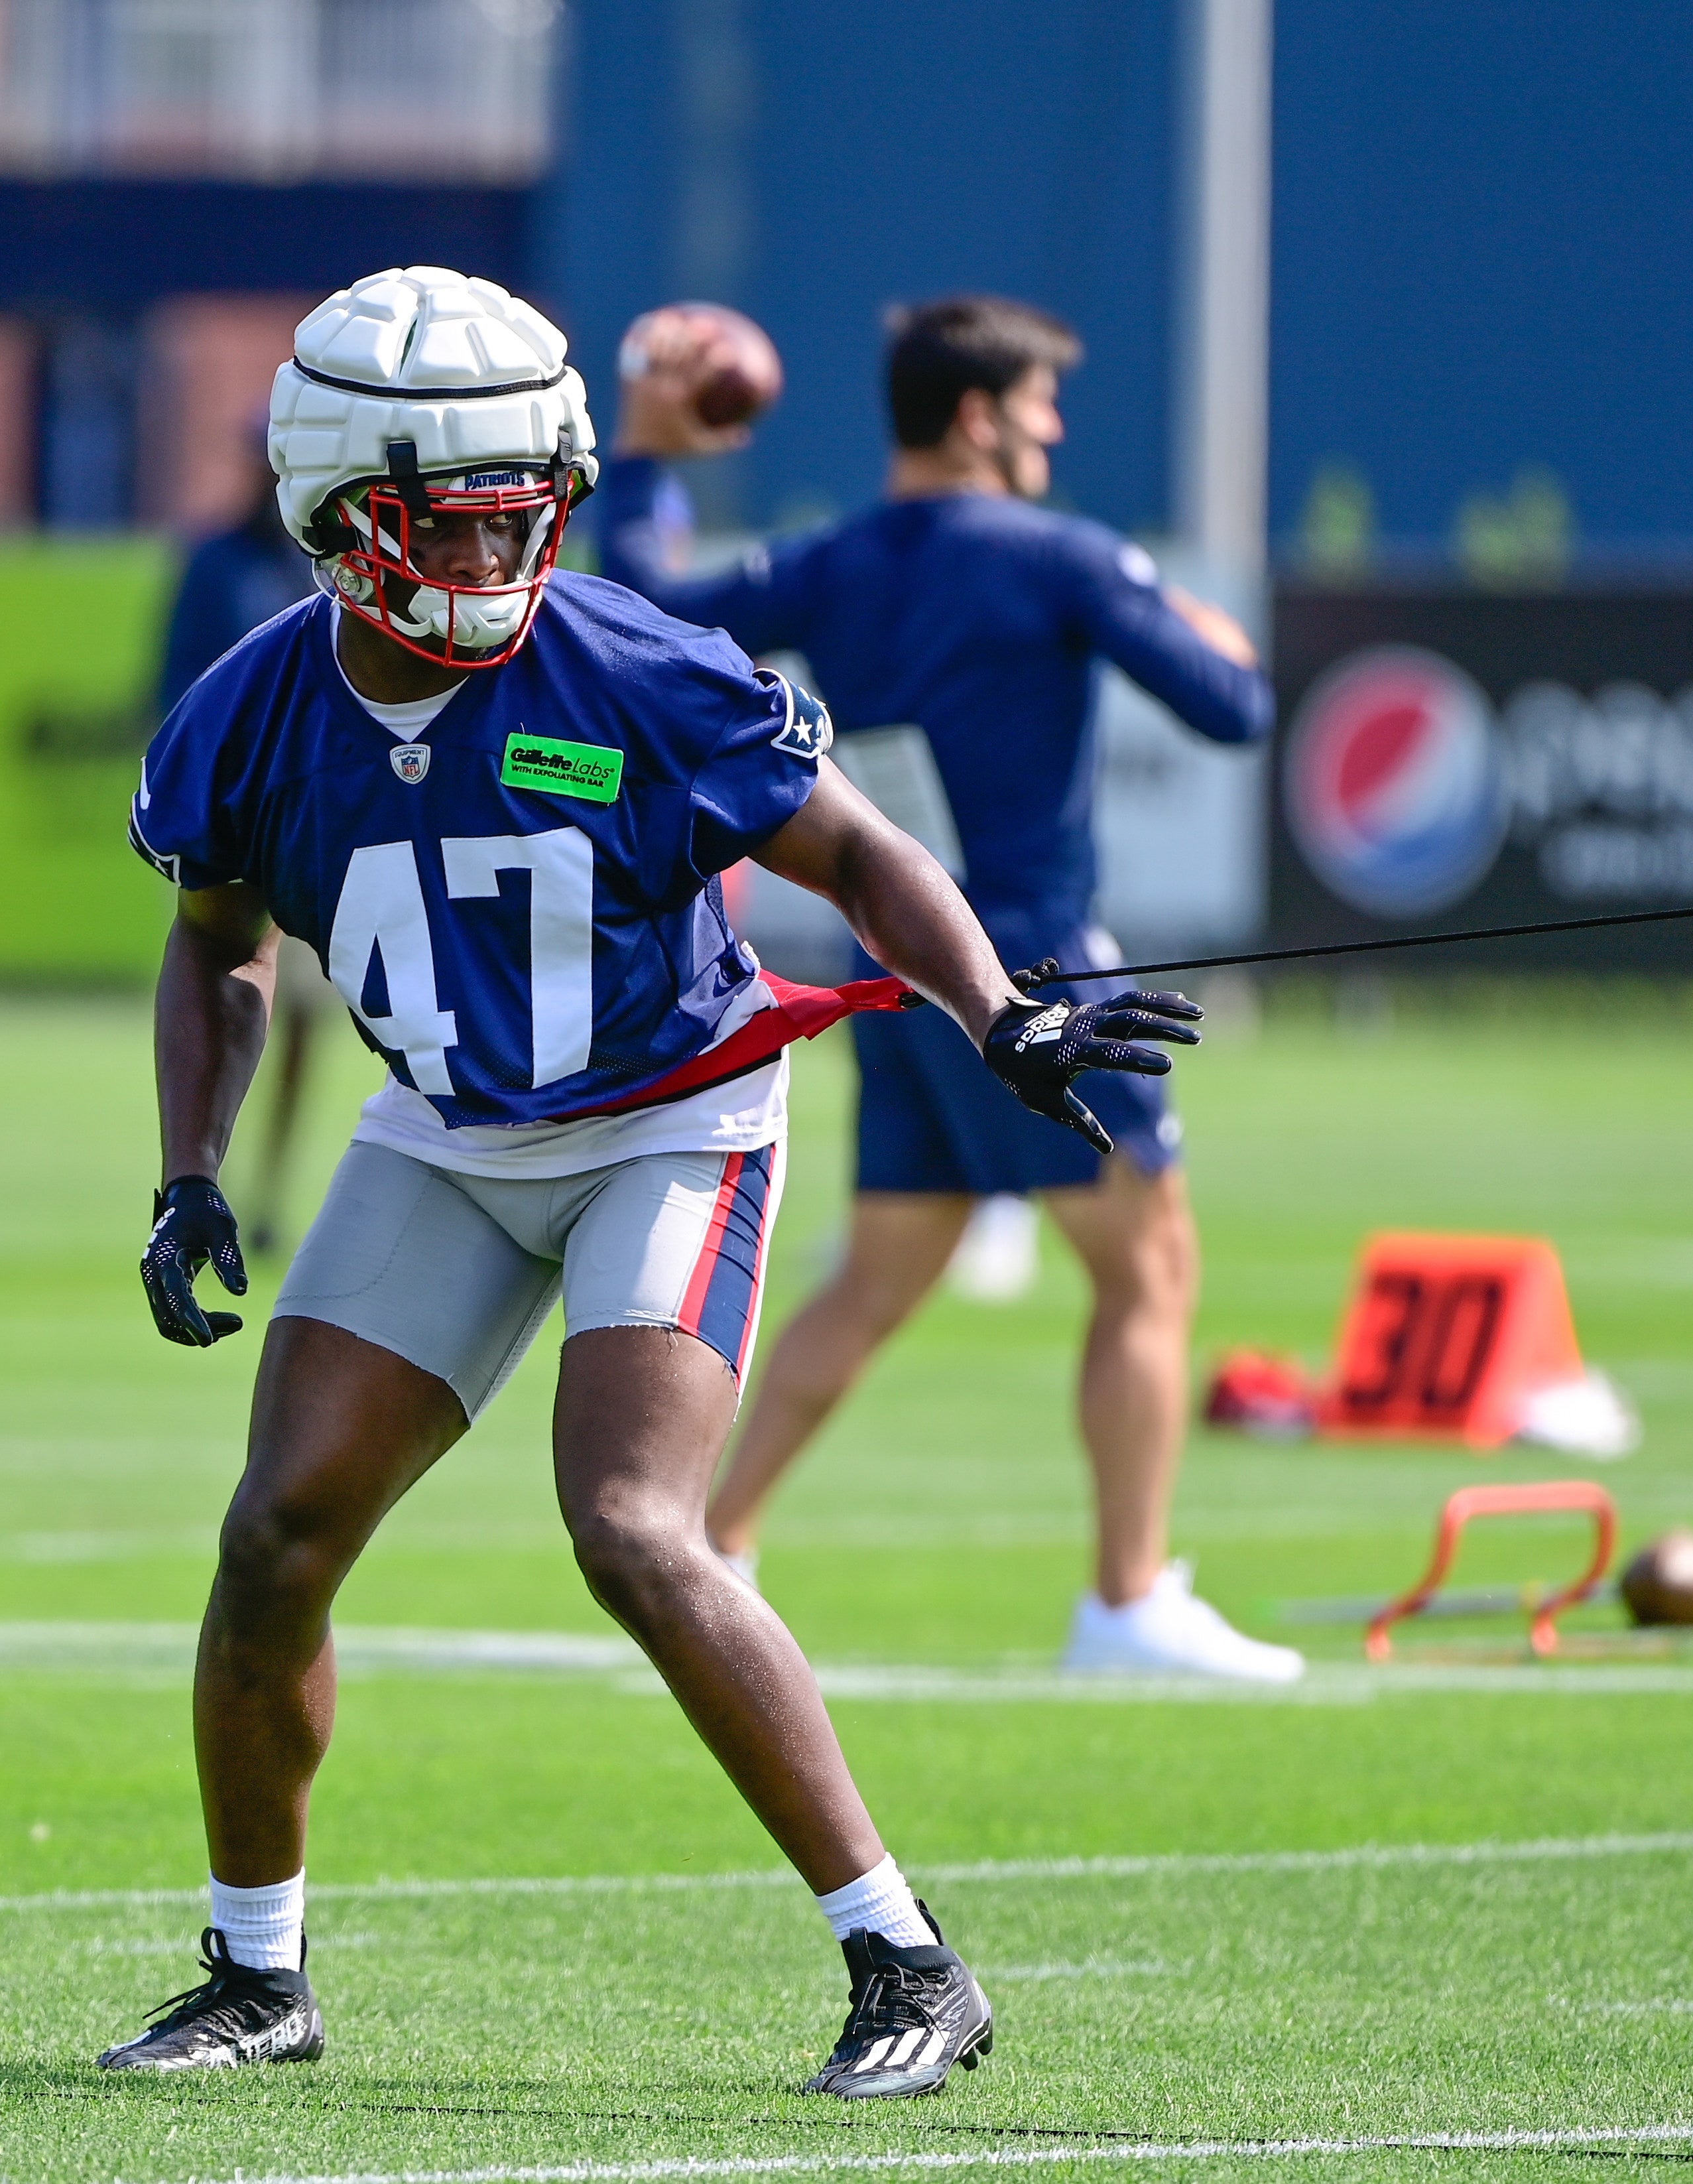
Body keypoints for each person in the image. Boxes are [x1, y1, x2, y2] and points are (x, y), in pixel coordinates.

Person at [111, 267, 1200, 2095]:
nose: (497, 557)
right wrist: (188, 1170)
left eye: (525, 512)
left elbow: (856, 850)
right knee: (273, 1533)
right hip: (449, 1131)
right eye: (453, 523)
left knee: (629, 1522)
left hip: (667, 1117)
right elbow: (216, 939)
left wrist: (998, 1009)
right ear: (339, 520)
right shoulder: (244, 710)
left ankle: (904, 1957)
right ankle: (253, 1973)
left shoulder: (623, 662)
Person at [598, 294, 1300, 1683]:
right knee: (1149, 1264)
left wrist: (644, 452)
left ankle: (710, 1544)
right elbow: (1234, 712)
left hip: (896, 963)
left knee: (874, 1277)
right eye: (1040, 407)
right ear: (978, 416)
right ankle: (1126, 1597)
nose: (1053, 431)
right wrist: (1208, 630)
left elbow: (635, 610)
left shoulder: (832, 561)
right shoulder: (1061, 556)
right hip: (1032, 967)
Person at [151, 434, 322, 1253]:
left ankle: (271, 1188)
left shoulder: (324, 560)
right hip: (245, 829)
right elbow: (176, 683)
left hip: (323, 827)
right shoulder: (214, 561)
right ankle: (217, 1173)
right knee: (239, 980)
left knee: (304, 1021)